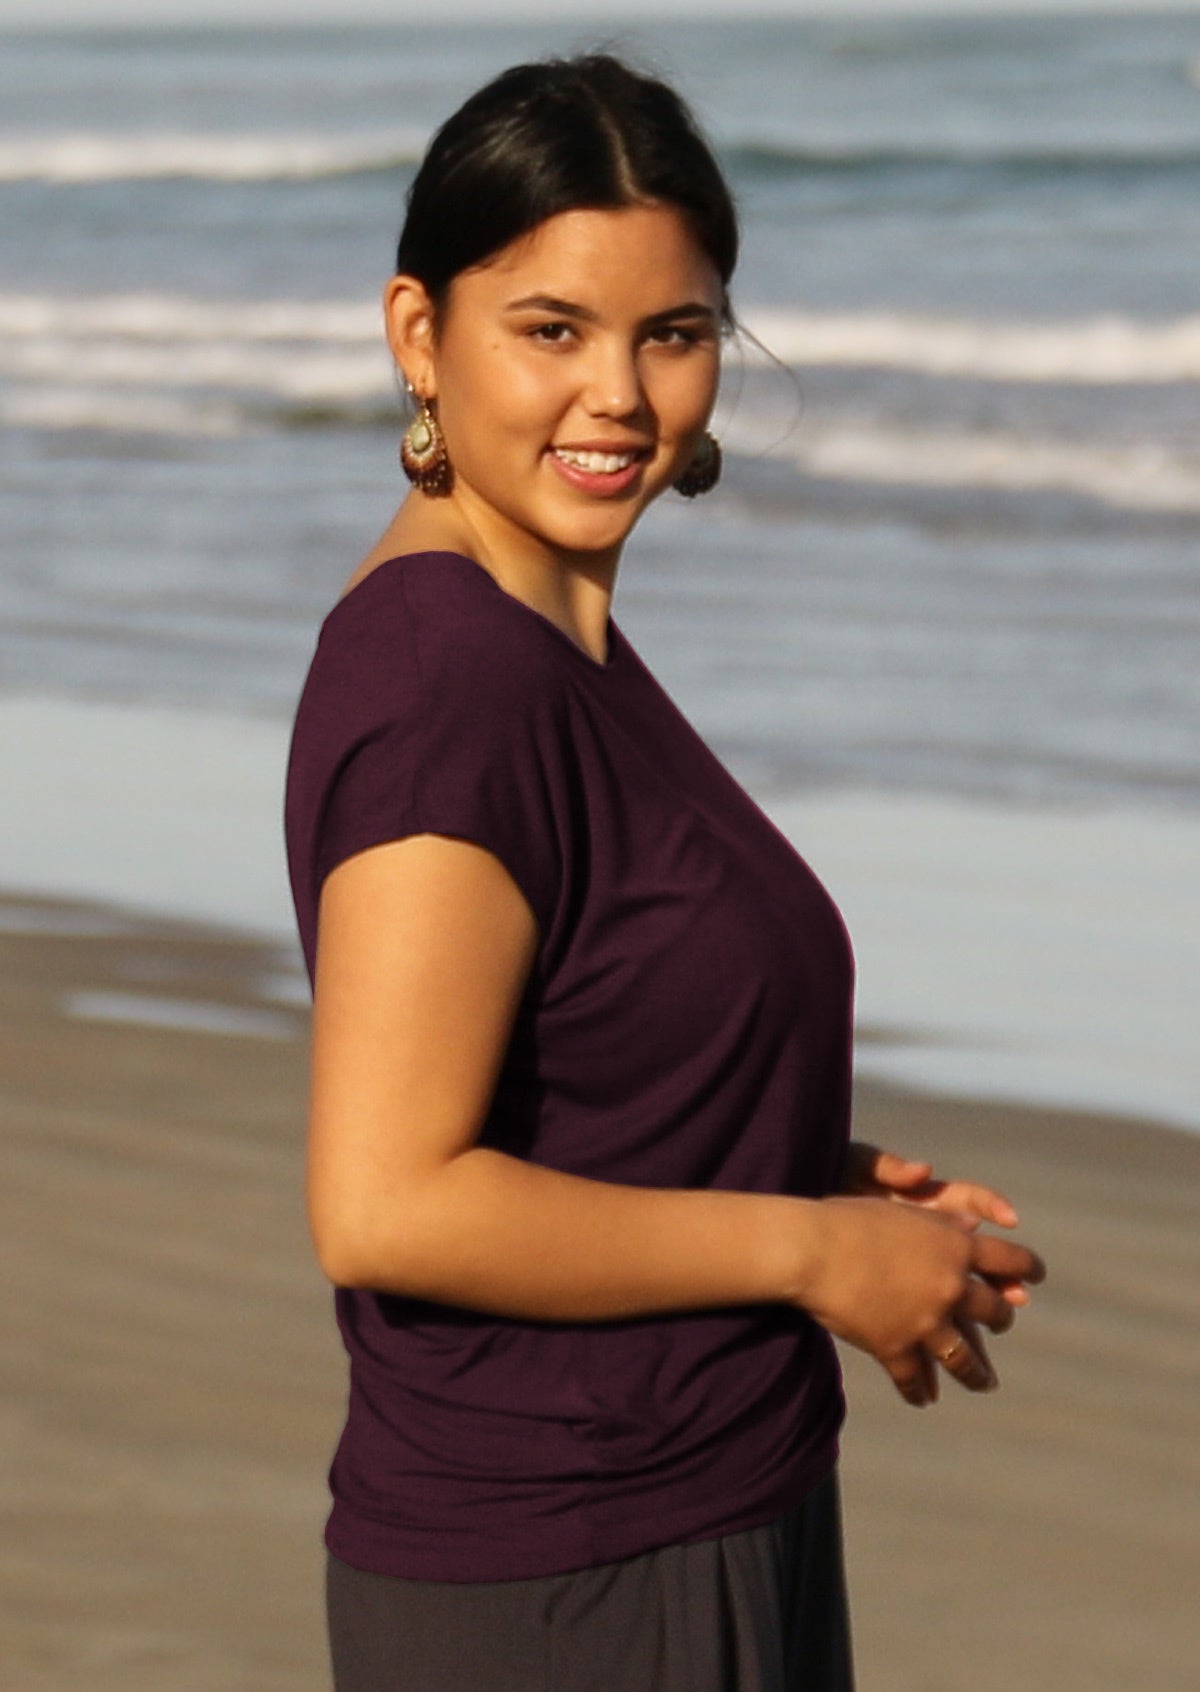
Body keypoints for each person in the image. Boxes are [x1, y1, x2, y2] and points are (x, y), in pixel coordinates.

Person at [284, 53, 1044, 1692]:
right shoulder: (451, 687)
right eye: (549, 329)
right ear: (421, 334)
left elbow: (559, 1046)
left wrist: (791, 1157)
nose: (618, 397)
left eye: (672, 333)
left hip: (690, 1518)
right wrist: (804, 1252)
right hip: (571, 1579)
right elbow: (384, 1200)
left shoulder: (546, 638)